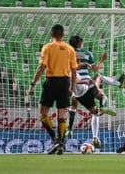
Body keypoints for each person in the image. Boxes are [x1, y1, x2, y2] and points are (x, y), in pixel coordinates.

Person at [65, 35, 125, 144]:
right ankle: (95, 136)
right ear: (80, 43)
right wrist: (102, 60)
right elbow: (95, 69)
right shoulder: (86, 53)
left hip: (73, 87)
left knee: (74, 106)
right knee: (99, 79)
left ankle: (69, 128)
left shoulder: (67, 53)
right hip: (86, 84)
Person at [28, 24, 78, 155]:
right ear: (63, 35)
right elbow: (74, 70)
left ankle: (56, 140)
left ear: (51, 35)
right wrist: (72, 87)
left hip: (51, 82)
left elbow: (41, 67)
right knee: (62, 116)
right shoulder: (69, 49)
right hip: (65, 82)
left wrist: (32, 84)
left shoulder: (48, 47)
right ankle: (60, 145)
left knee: (43, 113)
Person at [73, 62, 117, 148]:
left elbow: (78, 67)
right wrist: (86, 81)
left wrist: (86, 64)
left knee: (95, 113)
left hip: (79, 97)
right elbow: (76, 80)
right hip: (87, 89)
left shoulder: (65, 71)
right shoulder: (71, 71)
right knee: (99, 79)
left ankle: (95, 136)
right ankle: (103, 106)